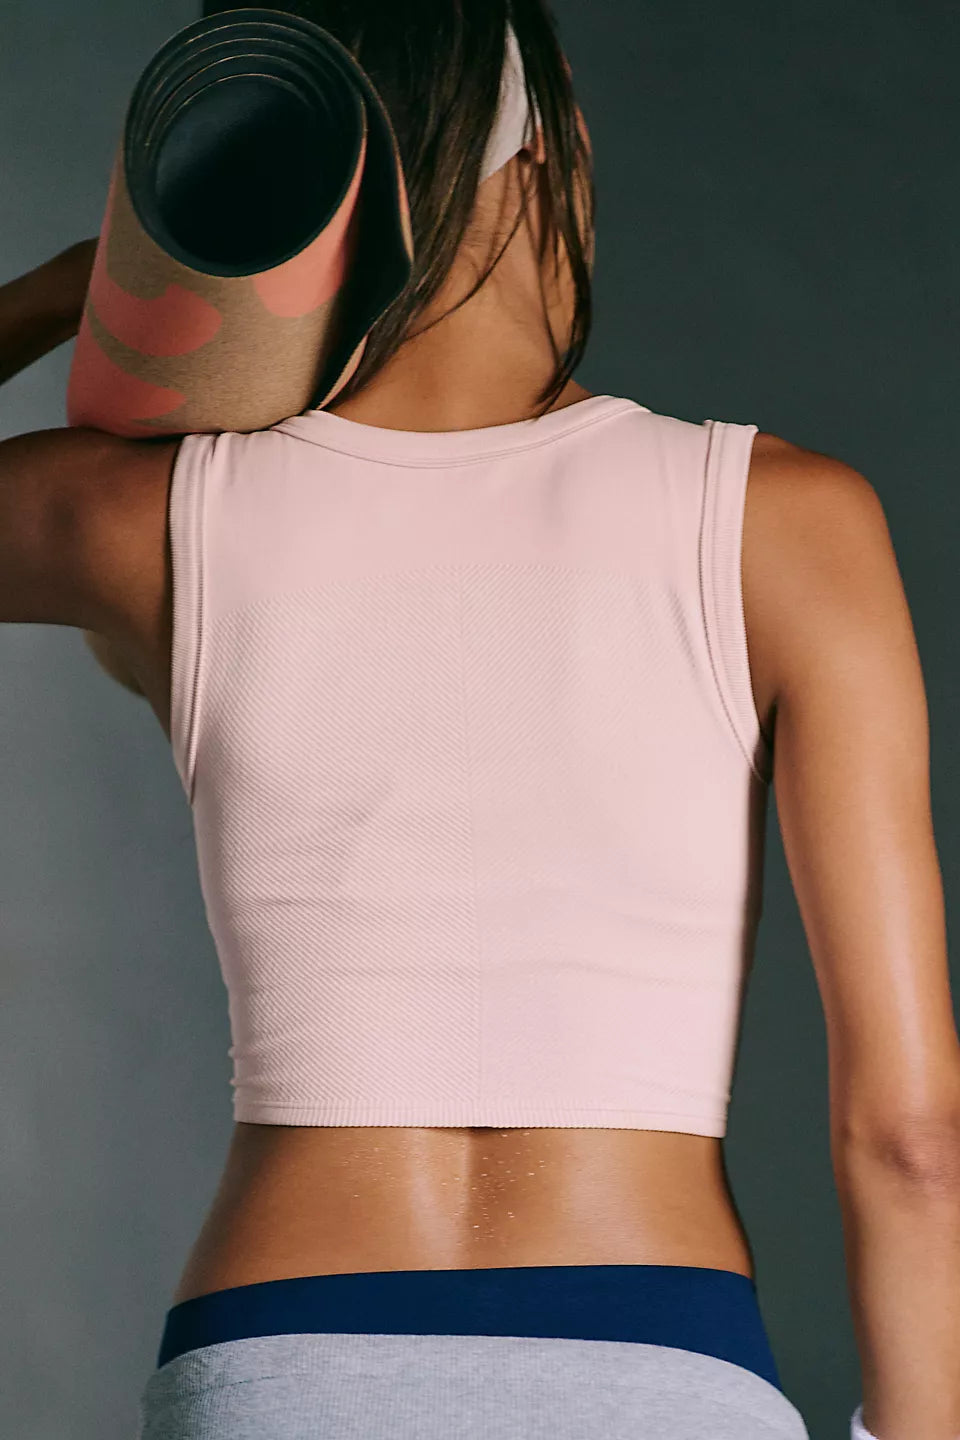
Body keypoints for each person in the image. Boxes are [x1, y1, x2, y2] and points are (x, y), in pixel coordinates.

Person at [2, 3, 959, 1437]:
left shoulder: (152, 516)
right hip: (660, 1360)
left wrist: (81, 292)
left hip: (282, 1362)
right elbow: (911, 1135)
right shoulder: (785, 524)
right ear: (554, 127)